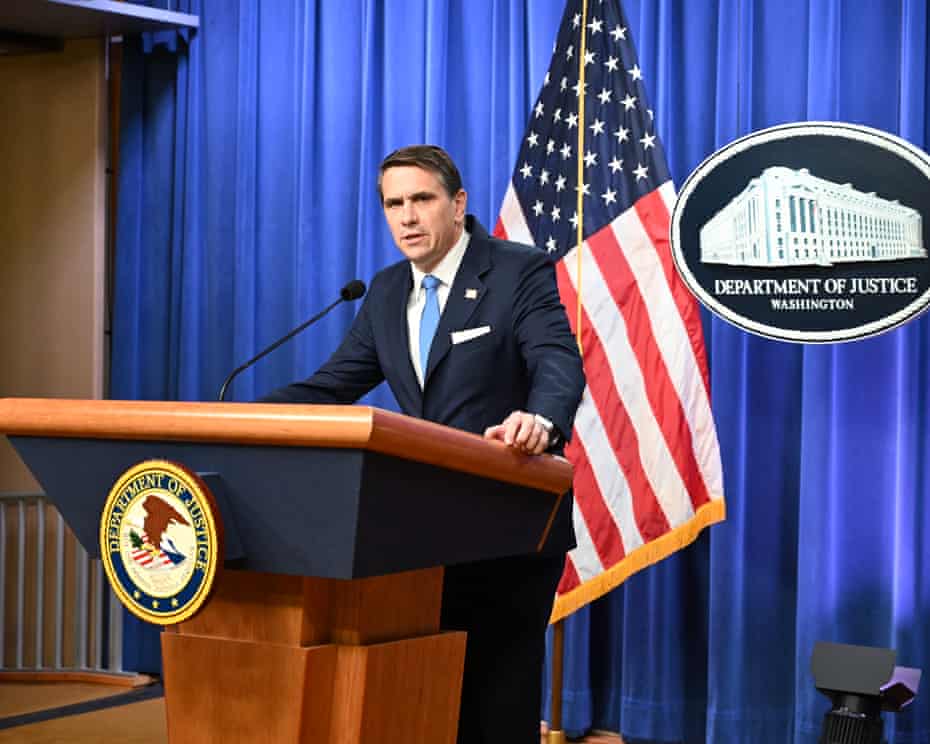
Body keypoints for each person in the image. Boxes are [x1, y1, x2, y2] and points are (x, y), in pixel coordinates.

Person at [261, 144, 585, 743]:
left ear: (457, 204)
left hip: (508, 523)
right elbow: (332, 386)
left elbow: (556, 360)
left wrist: (541, 420)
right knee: (425, 699)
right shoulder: (386, 291)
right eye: (393, 204)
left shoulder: (517, 270)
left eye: (421, 199)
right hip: (420, 534)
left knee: (495, 702)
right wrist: (237, 418)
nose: (407, 217)